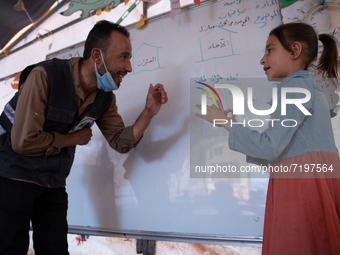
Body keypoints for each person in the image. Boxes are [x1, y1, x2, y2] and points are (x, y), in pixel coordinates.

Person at [0, 20, 168, 255]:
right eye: (124, 57)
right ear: (97, 56)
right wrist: (72, 139)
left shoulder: (104, 98)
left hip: (52, 182)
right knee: (9, 248)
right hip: (13, 175)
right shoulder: (44, 77)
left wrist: (149, 113)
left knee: (56, 251)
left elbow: (120, 141)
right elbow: (23, 141)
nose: (129, 67)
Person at [196, 22, 340, 255]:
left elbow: (271, 146)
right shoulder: (306, 87)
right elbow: (284, 153)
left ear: (295, 50)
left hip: (303, 185)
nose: (262, 60)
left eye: (270, 50)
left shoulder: (294, 88)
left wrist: (225, 122)